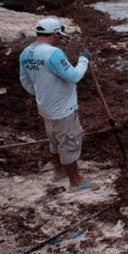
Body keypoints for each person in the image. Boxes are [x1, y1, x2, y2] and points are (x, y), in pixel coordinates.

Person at [19, 17, 96, 193]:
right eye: (59, 36)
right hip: (63, 109)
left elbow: (25, 82)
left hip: (45, 107)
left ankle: (58, 172)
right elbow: (74, 76)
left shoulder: (26, 53)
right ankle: (76, 182)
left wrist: (43, 93)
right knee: (69, 142)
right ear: (54, 34)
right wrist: (84, 60)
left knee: (54, 140)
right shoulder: (53, 53)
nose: (60, 39)